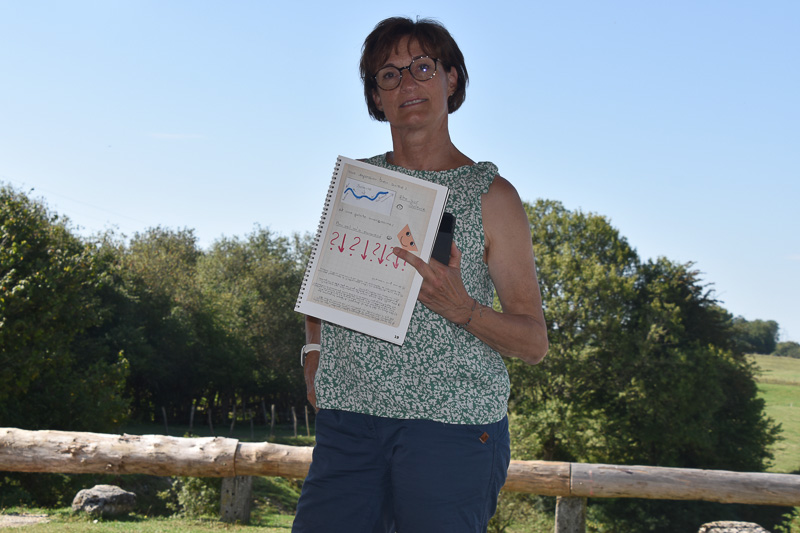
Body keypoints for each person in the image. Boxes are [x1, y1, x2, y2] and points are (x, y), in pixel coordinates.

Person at [293, 16, 548, 533]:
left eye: (423, 68)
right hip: (350, 424)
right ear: (376, 96)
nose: (407, 83)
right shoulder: (357, 184)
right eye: (389, 74)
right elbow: (325, 286)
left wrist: (463, 309)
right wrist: (312, 355)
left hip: (452, 432)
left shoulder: (492, 197)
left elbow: (533, 343)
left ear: (451, 79)